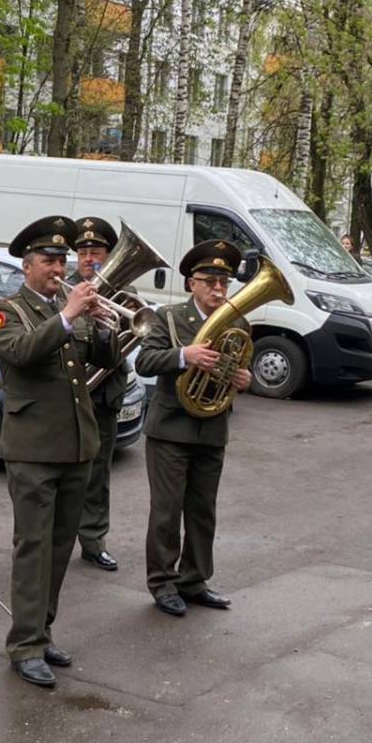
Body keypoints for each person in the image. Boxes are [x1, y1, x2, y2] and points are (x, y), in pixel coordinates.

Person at [0, 215, 120, 687]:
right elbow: (21, 353)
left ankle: (42, 633)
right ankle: (23, 644)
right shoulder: (6, 309)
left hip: (77, 443)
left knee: (61, 546)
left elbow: (102, 361)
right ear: (27, 266)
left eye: (62, 259)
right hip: (32, 449)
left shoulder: (71, 305)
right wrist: (69, 316)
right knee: (34, 547)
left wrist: (104, 328)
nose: (59, 267)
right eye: (49, 260)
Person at [135, 239, 252, 618]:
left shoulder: (238, 322)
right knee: (167, 511)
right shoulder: (167, 318)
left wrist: (243, 379)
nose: (219, 289)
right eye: (210, 281)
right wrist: (185, 355)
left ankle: (195, 579)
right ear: (191, 284)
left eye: (224, 282)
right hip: (170, 430)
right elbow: (145, 363)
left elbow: (238, 369)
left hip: (212, 428)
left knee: (203, 510)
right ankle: (163, 583)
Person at [71, 216, 128, 573]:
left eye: (96, 252)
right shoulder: (63, 289)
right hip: (69, 394)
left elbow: (137, 337)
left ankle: (93, 541)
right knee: (62, 473)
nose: (89, 259)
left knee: (98, 475)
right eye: (84, 252)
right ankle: (54, 538)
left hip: (104, 395)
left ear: (109, 255)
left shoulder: (123, 292)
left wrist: (118, 319)